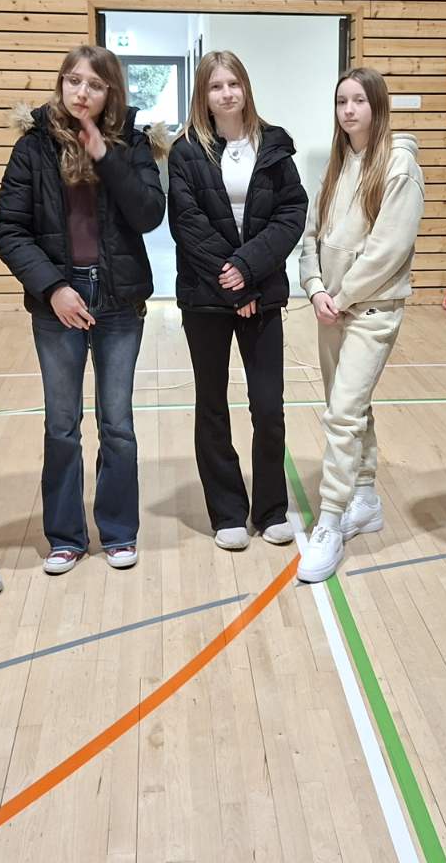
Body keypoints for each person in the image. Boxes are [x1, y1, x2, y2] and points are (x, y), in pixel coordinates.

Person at [0, 44, 166, 574]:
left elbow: (149, 214)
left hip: (119, 302)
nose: (81, 92)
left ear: (110, 91)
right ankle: (66, 535)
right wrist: (53, 288)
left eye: (93, 84)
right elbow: (10, 229)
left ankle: (118, 531)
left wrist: (106, 157)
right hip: (58, 305)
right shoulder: (33, 146)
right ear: (62, 84)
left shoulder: (134, 143)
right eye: (73, 81)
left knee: (117, 424)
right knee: (62, 424)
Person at [167, 51, 308, 550]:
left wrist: (248, 272)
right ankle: (227, 511)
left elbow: (291, 213)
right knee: (212, 404)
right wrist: (235, 285)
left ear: (245, 88)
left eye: (233, 84)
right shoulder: (185, 151)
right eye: (215, 86)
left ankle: (270, 509)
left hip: (261, 294)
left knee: (268, 407)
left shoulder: (275, 144)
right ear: (202, 95)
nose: (226, 93)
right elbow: (187, 223)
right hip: (206, 298)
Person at [295, 67, 425, 583]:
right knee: (350, 407)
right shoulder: (335, 164)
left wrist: (344, 295)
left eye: (359, 101)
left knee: (343, 414)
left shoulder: (399, 165)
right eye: (341, 101)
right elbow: (311, 235)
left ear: (377, 106)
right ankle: (365, 497)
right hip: (331, 308)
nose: (349, 110)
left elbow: (388, 250)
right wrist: (315, 288)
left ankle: (329, 522)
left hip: (371, 311)